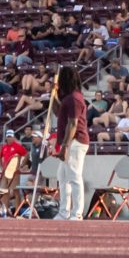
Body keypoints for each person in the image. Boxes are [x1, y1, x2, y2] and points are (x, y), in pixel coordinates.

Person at [46, 64, 90, 221]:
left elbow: (73, 124)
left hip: (75, 141)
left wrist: (64, 146)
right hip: (70, 142)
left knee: (74, 176)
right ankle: (64, 212)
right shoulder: (69, 98)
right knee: (63, 177)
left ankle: (76, 213)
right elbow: (59, 112)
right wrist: (54, 95)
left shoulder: (75, 98)